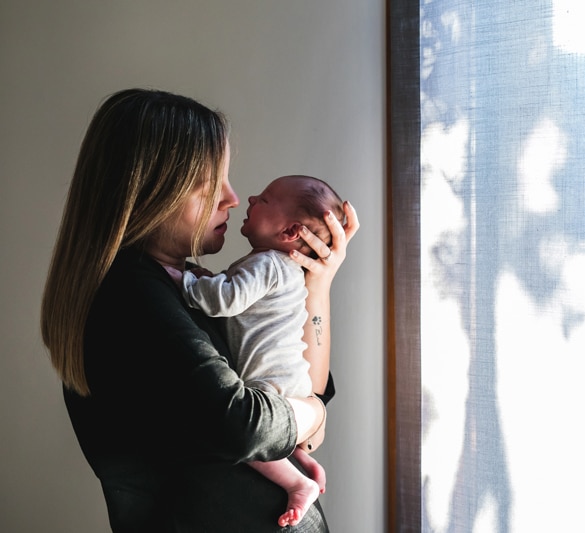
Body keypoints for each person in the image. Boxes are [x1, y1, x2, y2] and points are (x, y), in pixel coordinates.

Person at [39, 88, 359, 532]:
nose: (232, 197)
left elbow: (307, 393)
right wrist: (313, 412)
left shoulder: (187, 285)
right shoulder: (131, 294)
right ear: (152, 189)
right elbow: (249, 424)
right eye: (211, 184)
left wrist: (317, 285)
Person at [175, 175, 345, 527]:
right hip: (288, 383)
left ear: (289, 232)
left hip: (273, 384)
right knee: (277, 438)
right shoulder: (280, 269)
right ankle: (303, 467)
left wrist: (185, 281)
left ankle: (298, 482)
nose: (245, 198)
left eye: (265, 199)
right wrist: (313, 414)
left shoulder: (267, 264)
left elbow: (225, 298)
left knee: (261, 441)